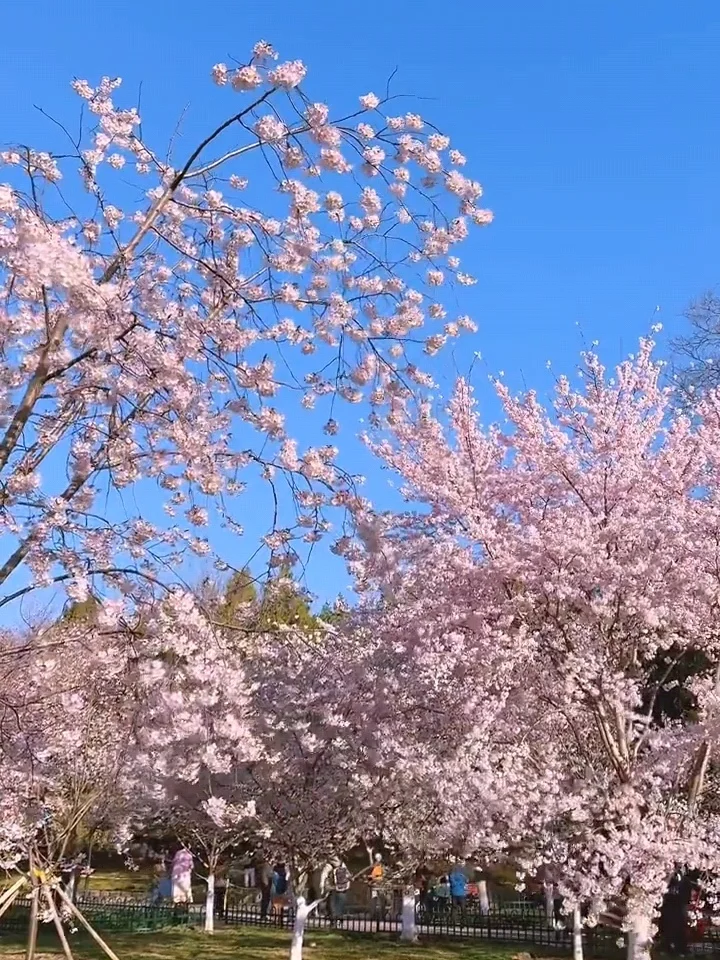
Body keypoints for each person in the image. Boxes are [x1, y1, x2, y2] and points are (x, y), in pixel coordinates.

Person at [328, 858, 351, 927]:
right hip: (339, 889)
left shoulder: (338, 869)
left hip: (338, 889)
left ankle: (336, 922)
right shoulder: (343, 869)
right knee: (337, 907)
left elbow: (348, 878)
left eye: (335, 861)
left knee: (336, 907)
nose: (333, 862)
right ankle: (336, 922)